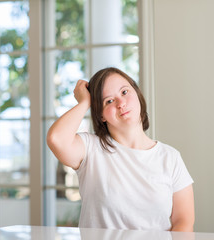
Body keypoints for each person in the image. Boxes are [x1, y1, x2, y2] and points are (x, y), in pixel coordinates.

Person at [47, 67, 194, 232]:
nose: (121, 103)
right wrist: (85, 102)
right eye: (109, 101)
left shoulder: (170, 157)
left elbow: (183, 222)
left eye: (124, 92)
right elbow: (56, 139)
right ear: (101, 115)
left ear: (137, 94)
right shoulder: (90, 149)